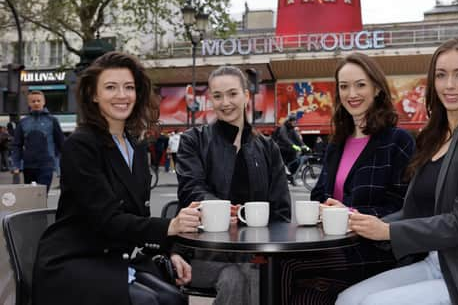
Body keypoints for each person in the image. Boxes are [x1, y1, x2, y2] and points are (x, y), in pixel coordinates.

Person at [336, 38, 458, 305]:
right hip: (437, 261)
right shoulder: (433, 135)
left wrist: (388, 232)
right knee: (346, 299)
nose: (449, 85)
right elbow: (417, 214)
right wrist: (360, 222)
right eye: (441, 75)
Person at [33, 51, 201, 305]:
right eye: (111, 87)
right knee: (148, 302)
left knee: (174, 298)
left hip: (118, 255)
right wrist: (171, 226)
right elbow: (107, 219)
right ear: (94, 95)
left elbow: (138, 215)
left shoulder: (136, 145)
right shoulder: (80, 145)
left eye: (129, 87)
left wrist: (170, 252)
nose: (122, 95)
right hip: (75, 258)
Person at [281, 52, 415, 304]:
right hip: (333, 246)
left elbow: (402, 206)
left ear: (376, 89)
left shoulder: (398, 141)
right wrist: (323, 208)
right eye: (344, 86)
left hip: (373, 250)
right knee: (278, 269)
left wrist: (348, 213)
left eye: (360, 85)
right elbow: (319, 194)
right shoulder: (337, 143)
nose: (351, 93)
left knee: (292, 273)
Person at [175, 65, 291, 305]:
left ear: (247, 96)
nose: (225, 102)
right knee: (253, 274)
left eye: (232, 94)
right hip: (203, 253)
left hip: (255, 253)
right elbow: (190, 190)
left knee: (238, 277)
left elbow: (281, 211)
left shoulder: (269, 148)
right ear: (210, 100)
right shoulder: (193, 140)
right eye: (217, 96)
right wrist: (221, 210)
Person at [10, 90, 65, 192]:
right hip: (28, 166)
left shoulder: (52, 121)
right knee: (31, 198)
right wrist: (16, 165)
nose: (36, 103)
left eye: (38, 101)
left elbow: (61, 144)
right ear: (29, 103)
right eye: (33, 101)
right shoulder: (23, 122)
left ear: (43, 102)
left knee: (41, 196)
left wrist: (61, 167)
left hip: (46, 165)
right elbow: (17, 145)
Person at [274, 113, 307, 178]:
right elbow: (284, 138)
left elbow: (297, 138)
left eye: (295, 121)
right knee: (282, 165)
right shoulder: (283, 128)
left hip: (289, 150)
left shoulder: (292, 129)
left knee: (296, 163)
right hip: (282, 149)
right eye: (293, 121)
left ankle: (291, 177)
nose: (295, 122)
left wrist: (304, 145)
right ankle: (284, 177)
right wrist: (293, 145)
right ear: (289, 121)